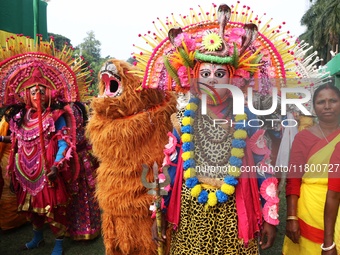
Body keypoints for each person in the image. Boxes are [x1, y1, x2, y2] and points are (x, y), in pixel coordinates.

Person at [0, 37, 93, 255]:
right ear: (26, 95)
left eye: (42, 91)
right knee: (32, 211)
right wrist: (3, 140)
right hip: (25, 172)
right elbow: (16, 139)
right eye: (33, 92)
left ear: (49, 93)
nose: (38, 95)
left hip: (47, 172)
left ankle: (59, 244)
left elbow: (64, 143)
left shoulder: (56, 116)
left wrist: (57, 166)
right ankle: (37, 239)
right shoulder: (21, 116)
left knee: (54, 210)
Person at [283, 84, 340, 254]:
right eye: (321, 102)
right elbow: (293, 180)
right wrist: (292, 217)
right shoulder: (303, 137)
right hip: (310, 206)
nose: (327, 106)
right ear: (314, 107)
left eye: (333, 101)